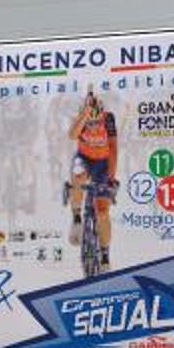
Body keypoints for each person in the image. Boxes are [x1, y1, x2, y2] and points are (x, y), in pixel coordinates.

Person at [69, 91, 118, 275]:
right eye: (91, 122)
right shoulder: (81, 117)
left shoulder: (108, 119)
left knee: (103, 211)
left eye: (97, 122)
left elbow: (113, 150)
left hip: (102, 163)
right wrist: (84, 117)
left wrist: (110, 179)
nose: (94, 125)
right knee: (78, 176)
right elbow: (72, 135)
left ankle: (105, 254)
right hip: (84, 159)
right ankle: (76, 219)